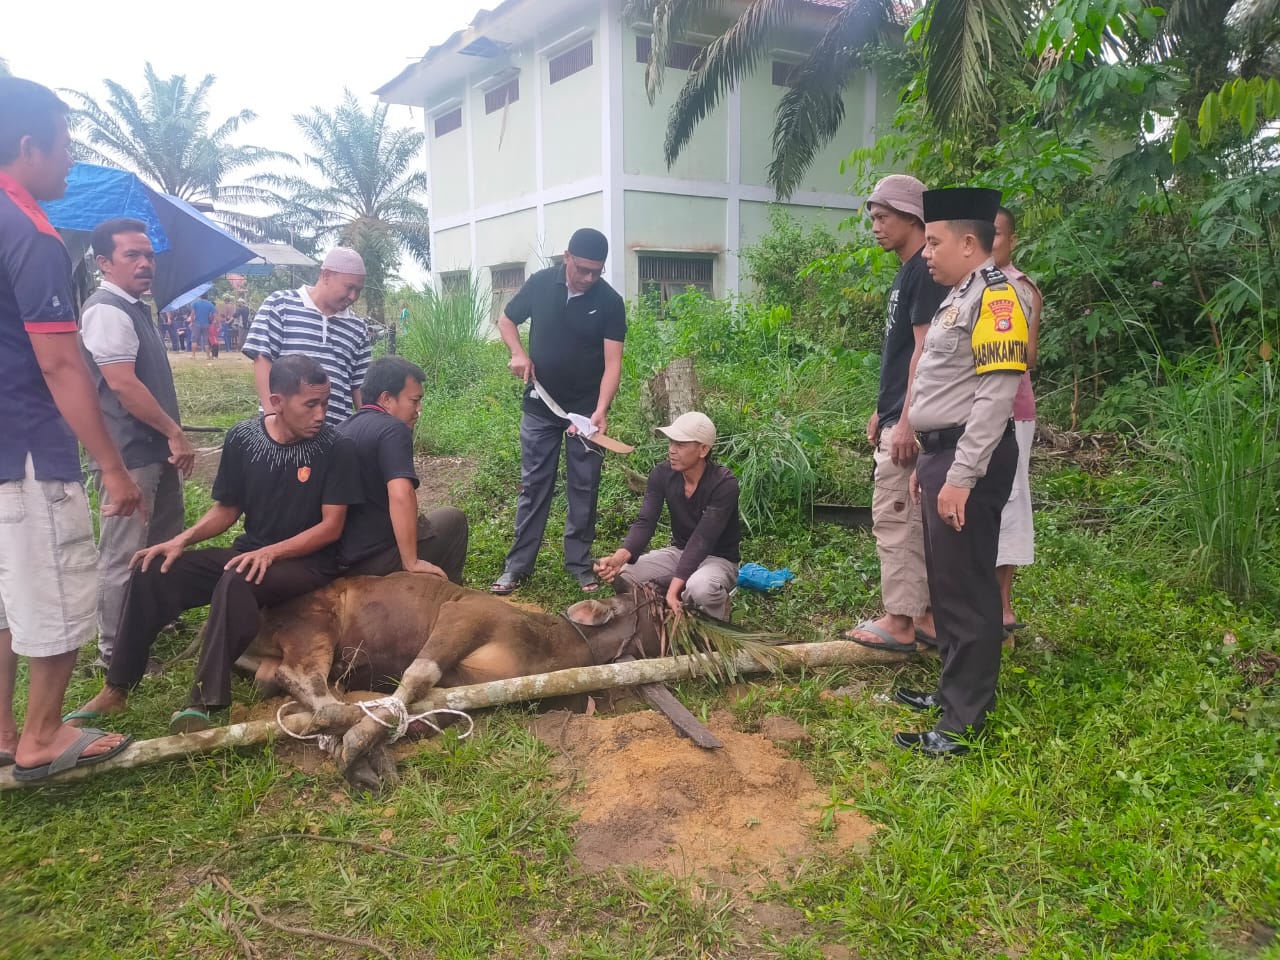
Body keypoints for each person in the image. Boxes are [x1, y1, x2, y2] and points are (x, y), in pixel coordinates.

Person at [70, 355, 362, 733]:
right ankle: (117, 688)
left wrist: (271, 552)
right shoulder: (243, 438)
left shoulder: (336, 448)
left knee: (236, 579)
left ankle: (204, 701)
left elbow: (331, 527)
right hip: (252, 553)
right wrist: (181, 539)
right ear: (276, 401)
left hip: (309, 562)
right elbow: (228, 508)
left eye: (325, 403)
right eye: (311, 404)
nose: (321, 413)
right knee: (153, 570)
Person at [0, 76, 142, 781]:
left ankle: (4, 730)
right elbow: (60, 365)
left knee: (5, 590)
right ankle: (42, 736)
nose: (68, 162)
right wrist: (112, 467)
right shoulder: (31, 233)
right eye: (63, 148)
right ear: (28, 146)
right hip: (28, 442)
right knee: (55, 587)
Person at [892, 187, 1029, 758]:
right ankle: (952, 691)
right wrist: (931, 461)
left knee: (968, 585)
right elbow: (941, 385)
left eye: (936, 242)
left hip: (971, 455)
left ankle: (963, 722)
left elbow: (996, 399)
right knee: (946, 582)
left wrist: (961, 476)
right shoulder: (958, 297)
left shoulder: (997, 300)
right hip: (943, 452)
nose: (926, 253)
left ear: (969, 243)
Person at [80, 217, 195, 671]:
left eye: (148, 255)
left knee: (161, 541)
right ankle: (114, 653)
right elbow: (123, 386)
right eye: (133, 255)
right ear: (105, 262)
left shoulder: (133, 307)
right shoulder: (107, 309)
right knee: (124, 553)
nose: (145, 263)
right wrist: (173, 431)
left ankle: (152, 622)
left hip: (154, 452)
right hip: (129, 454)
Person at [843, 175, 950, 654]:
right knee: (912, 520)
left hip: (909, 422)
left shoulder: (923, 273)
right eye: (874, 219)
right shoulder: (910, 270)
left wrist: (906, 421)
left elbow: (925, 351)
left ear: (913, 217)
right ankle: (925, 617)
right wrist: (883, 410)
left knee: (896, 518)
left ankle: (901, 621)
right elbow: (903, 349)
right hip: (897, 414)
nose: (876, 228)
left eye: (884, 218)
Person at [491, 227, 626, 595]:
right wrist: (517, 353)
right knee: (535, 485)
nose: (589, 278)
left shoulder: (610, 302)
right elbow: (506, 320)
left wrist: (600, 410)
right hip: (540, 405)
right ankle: (517, 566)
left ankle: (579, 565)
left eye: (596, 271)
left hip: (584, 414)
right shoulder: (540, 283)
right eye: (582, 269)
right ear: (566, 257)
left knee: (585, 487)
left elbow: (612, 364)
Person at [594, 412, 740, 620]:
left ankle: (714, 608)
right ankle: (677, 596)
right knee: (626, 575)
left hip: (718, 559)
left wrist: (673, 590)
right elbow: (645, 522)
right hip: (680, 551)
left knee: (701, 590)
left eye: (680, 444)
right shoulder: (662, 474)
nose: (672, 450)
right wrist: (620, 557)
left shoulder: (724, 484)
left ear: (703, 449)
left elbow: (702, 540)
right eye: (671, 442)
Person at [337, 356, 469, 583]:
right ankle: (447, 598)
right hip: (376, 561)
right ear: (386, 399)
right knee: (453, 520)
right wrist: (411, 561)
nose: (419, 409)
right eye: (414, 400)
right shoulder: (393, 429)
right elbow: (400, 494)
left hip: (340, 562)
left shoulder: (339, 430)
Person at [242, 247, 371, 429]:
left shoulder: (358, 327)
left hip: (336, 434)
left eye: (358, 290)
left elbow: (359, 385)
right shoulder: (280, 305)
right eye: (349, 287)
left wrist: (369, 427)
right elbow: (262, 359)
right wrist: (271, 416)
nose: (353, 296)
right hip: (285, 431)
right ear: (326, 275)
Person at [992, 206, 1043, 638]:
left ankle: (1003, 605)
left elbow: (1026, 356)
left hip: (1011, 409)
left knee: (1009, 499)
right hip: (966, 412)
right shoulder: (965, 283)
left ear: (1011, 240)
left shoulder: (1021, 289)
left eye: (995, 235)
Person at [190, 290, 215, 357]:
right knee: (206, 340)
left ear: (200, 296)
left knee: (194, 340)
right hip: (206, 324)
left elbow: (192, 314)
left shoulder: (195, 303)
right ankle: (207, 356)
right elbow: (212, 316)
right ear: (207, 297)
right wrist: (211, 321)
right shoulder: (210, 304)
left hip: (197, 323)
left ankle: (193, 355)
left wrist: (192, 322)